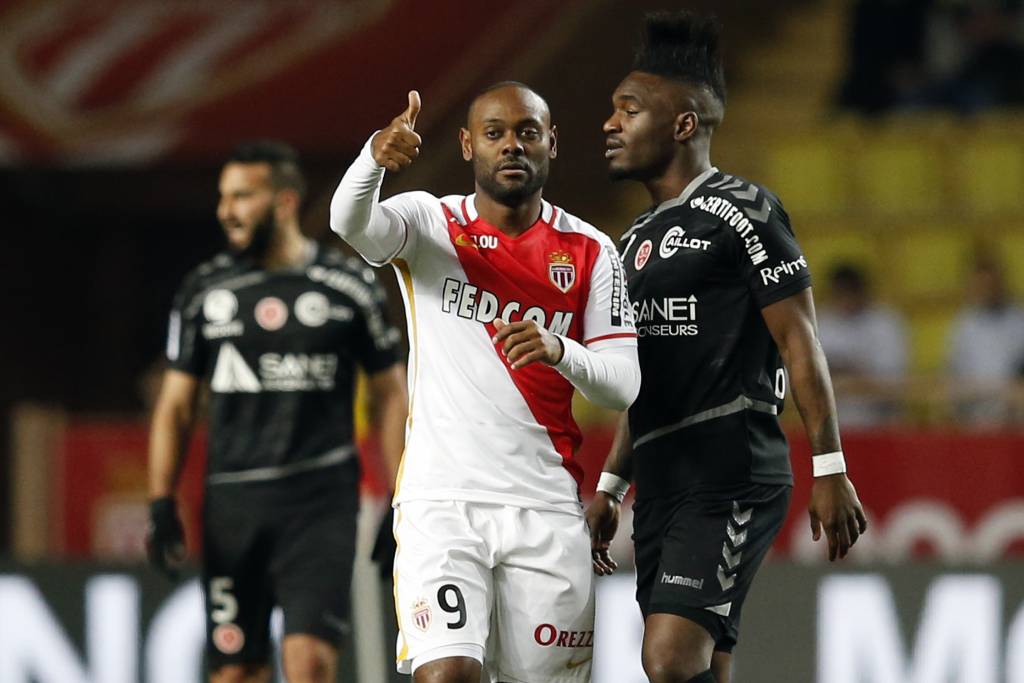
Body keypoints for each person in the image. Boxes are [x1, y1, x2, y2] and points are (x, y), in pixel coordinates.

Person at [586, 12, 868, 683]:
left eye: (629, 109)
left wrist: (830, 465)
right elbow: (641, 378)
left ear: (683, 123)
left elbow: (800, 340)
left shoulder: (745, 211)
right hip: (660, 479)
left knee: (668, 658)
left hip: (728, 466)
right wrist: (611, 483)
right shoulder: (633, 239)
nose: (609, 123)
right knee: (706, 664)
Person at [329, 82, 640, 683]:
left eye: (527, 132)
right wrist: (373, 158)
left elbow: (623, 385)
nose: (512, 146)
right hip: (441, 502)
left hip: (545, 509)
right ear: (469, 145)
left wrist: (559, 349)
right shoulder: (429, 222)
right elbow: (349, 221)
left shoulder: (592, 250)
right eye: (495, 133)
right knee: (447, 674)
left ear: (552, 142)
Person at [146, 140, 408, 683]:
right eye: (224, 197)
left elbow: (391, 394)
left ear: (285, 202)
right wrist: (160, 500)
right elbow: (175, 405)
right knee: (237, 673)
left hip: (321, 503)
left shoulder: (350, 287)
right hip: (232, 505)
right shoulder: (204, 291)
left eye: (242, 196)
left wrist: (402, 498)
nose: (226, 211)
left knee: (310, 663)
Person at [816, 262, 908, 426]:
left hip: (880, 423)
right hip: (831, 426)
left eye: (850, 293)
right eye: (840, 294)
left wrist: (845, 372)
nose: (846, 300)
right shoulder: (820, 324)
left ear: (862, 292)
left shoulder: (886, 323)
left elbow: (893, 381)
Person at [947, 255, 1024, 424]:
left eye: (992, 285)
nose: (987, 290)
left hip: (1016, 419)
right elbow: (953, 376)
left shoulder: (1020, 321)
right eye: (981, 285)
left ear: (1001, 284)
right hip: (975, 419)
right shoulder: (963, 325)